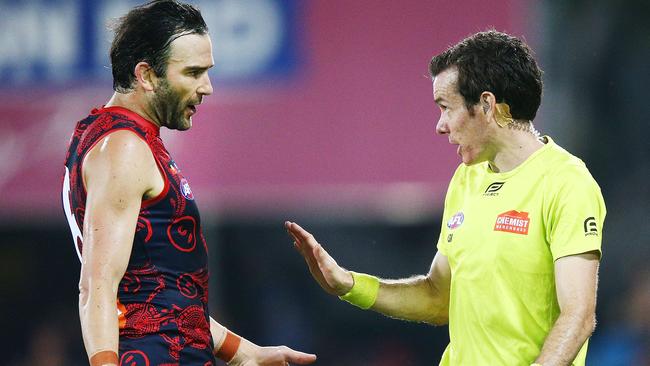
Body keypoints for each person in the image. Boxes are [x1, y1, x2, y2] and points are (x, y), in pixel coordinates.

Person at [285, 30, 605, 366]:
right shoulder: (467, 179)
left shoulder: (567, 182)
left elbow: (578, 316)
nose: (440, 126)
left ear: (486, 105)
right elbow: (438, 298)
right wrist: (348, 284)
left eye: (446, 108)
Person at [61, 1, 317, 365]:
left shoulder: (101, 134)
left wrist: (246, 354)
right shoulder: (124, 150)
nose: (207, 87)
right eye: (193, 72)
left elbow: (164, 297)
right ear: (146, 75)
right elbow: (97, 285)